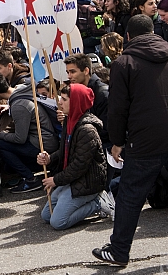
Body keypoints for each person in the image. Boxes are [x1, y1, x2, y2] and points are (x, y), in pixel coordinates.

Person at [92, 15, 168, 266]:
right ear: (154, 32)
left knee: (130, 194)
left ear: (128, 36)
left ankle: (119, 251)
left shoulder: (123, 63)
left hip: (145, 140)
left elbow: (117, 108)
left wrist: (116, 141)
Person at [36, 84, 114, 230]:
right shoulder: (70, 120)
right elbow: (66, 150)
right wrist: (49, 158)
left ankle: (98, 202)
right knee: (46, 216)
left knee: (58, 222)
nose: (59, 102)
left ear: (76, 102)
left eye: (64, 99)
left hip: (87, 182)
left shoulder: (87, 130)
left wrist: (56, 180)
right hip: (72, 180)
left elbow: (80, 164)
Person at [0, 72, 58, 193]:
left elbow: (19, 138)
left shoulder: (19, 106)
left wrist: (0, 135)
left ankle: (30, 179)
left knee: (0, 144)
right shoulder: (22, 89)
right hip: (48, 138)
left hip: (43, 144)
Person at [64, 53, 109, 146]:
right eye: (67, 72)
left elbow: (106, 129)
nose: (69, 76)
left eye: (72, 72)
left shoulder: (102, 94)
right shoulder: (77, 91)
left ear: (86, 71)